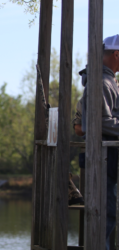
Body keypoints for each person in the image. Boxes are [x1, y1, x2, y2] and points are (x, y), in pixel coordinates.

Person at [81, 34, 119, 250]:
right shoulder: (103, 82)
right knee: (104, 213)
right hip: (102, 158)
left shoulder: (108, 80)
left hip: (106, 158)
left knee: (107, 213)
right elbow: (100, 122)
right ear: (116, 54)